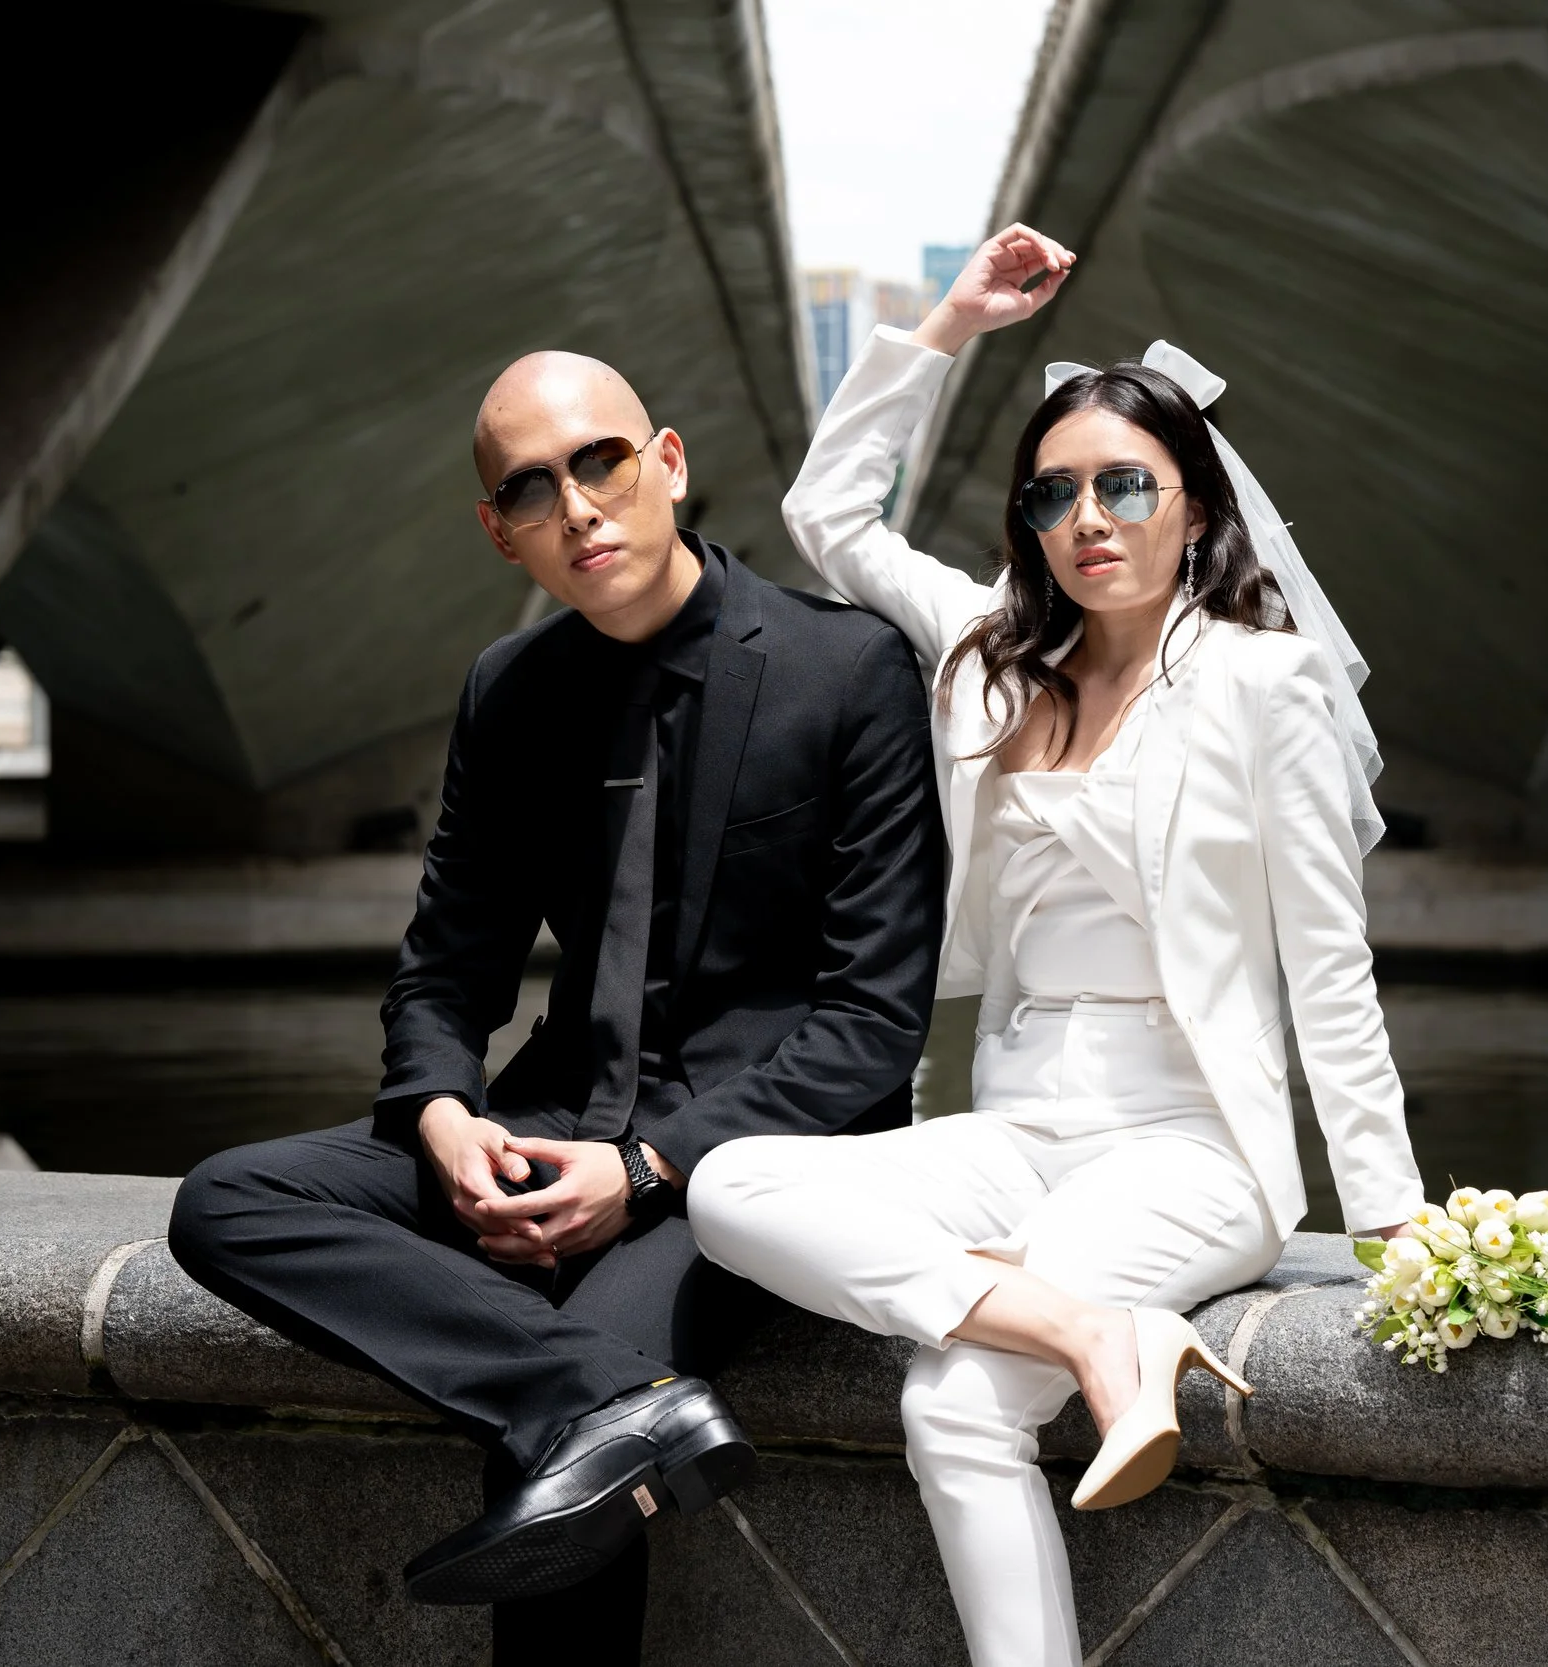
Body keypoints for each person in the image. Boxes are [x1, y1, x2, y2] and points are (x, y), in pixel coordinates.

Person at [686, 224, 1427, 1667]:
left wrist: (1391, 1221)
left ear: (1192, 508)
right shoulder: (987, 654)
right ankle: (1100, 1338)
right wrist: (948, 325)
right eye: (1054, 493)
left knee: (952, 1401)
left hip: (1192, 1144)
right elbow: (830, 516)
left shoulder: (1263, 689)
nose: (1088, 516)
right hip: (1016, 1123)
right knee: (725, 1183)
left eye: (1124, 486)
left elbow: (1330, 976)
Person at [167, 351, 947, 1664]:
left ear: (669, 463)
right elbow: (446, 967)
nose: (579, 505)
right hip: (546, 1119)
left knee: (553, 1441)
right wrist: (440, 1114)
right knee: (227, 1201)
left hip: (752, 1161)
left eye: (602, 461)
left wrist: (644, 1164)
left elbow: (871, 1026)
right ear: (501, 533)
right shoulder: (509, 694)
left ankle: (582, 1403)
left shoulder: (846, 665)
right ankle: (611, 1405)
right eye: (533, 489)